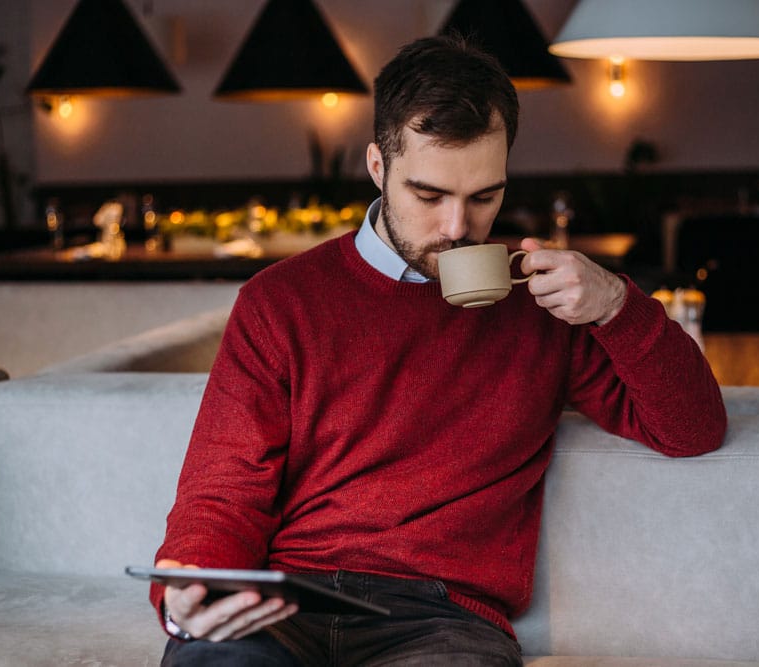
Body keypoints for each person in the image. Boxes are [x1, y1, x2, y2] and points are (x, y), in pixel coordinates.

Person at [151, 35, 726, 666]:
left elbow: (692, 429)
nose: (458, 228)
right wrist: (192, 595)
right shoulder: (279, 303)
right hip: (289, 605)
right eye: (430, 196)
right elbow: (222, 492)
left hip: (444, 621)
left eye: (484, 196)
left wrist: (617, 305)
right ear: (378, 167)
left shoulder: (543, 306)